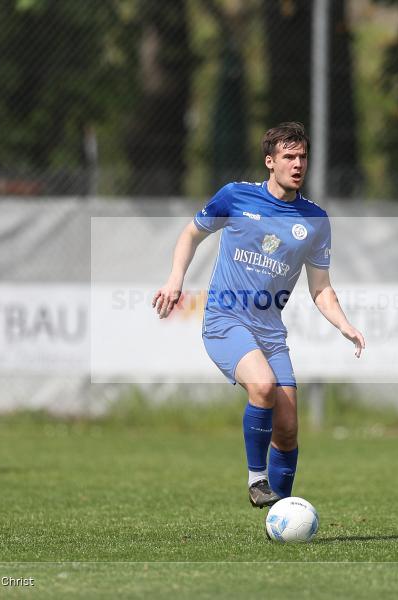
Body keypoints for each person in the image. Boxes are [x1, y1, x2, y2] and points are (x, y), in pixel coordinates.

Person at [153, 122, 365, 507]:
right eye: (289, 156)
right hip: (225, 320)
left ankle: (280, 514)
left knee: (288, 429)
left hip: (270, 331)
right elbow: (191, 234)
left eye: (303, 157)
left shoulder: (314, 220)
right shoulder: (236, 196)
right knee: (263, 386)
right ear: (270, 161)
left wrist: (344, 324)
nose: (298, 164)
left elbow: (321, 287)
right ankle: (256, 480)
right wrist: (175, 279)